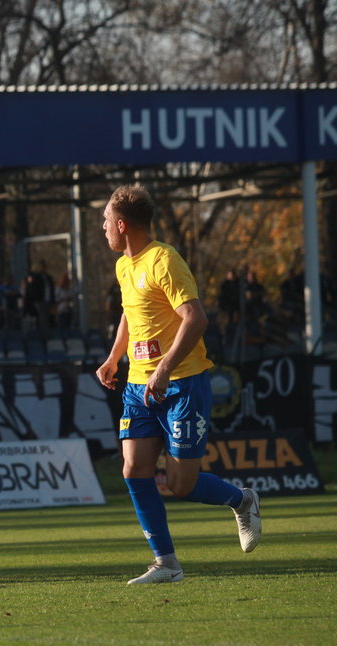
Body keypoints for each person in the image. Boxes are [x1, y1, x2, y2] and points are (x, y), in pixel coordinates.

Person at [95, 184, 261, 584]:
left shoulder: (165, 260)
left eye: (105, 221)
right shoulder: (123, 266)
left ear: (122, 224)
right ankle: (166, 563)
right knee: (133, 470)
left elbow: (195, 318)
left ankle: (243, 499)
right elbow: (131, 314)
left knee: (180, 484)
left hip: (181, 383)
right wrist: (115, 356)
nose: (102, 228)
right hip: (138, 385)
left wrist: (166, 367)